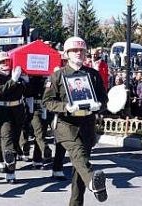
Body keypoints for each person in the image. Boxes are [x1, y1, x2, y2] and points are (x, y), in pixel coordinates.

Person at [43, 36, 108, 205]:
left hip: (87, 124)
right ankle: (93, 181)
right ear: (67, 54)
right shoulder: (58, 76)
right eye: (74, 50)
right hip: (66, 124)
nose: (78, 53)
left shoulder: (93, 75)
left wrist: (98, 106)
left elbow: (104, 99)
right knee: (78, 153)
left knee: (80, 167)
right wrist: (66, 107)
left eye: (81, 50)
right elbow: (47, 102)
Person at [0, 52, 28, 183]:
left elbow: (27, 93)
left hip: (18, 111)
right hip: (4, 112)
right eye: (2, 62)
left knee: (13, 139)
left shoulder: (18, 75)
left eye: (7, 61)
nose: (5, 64)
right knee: (7, 140)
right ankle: (11, 172)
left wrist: (26, 80)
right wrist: (13, 80)